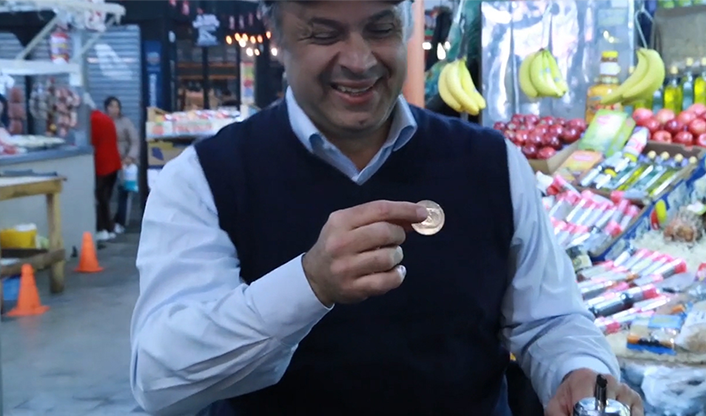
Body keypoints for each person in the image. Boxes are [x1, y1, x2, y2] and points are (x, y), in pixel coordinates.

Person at [130, 0, 644, 415]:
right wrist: (308, 284)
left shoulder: (492, 163)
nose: (359, 61)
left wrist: (579, 371)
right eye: (324, 33)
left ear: (407, 27)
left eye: (381, 28)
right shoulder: (204, 178)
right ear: (277, 37)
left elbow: (549, 318)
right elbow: (160, 379)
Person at [104, 96, 139, 234]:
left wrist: (130, 157)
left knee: (124, 191)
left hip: (124, 161)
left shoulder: (125, 122)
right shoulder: (104, 121)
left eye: (117, 106)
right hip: (107, 161)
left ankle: (121, 221)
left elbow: (135, 141)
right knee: (105, 193)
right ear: (106, 108)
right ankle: (107, 222)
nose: (114, 109)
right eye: (111, 106)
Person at [90, 109, 121, 241]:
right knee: (106, 198)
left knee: (100, 198)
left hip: (102, 164)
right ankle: (110, 228)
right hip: (114, 161)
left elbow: (92, 142)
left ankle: (104, 228)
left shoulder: (92, 121)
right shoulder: (106, 118)